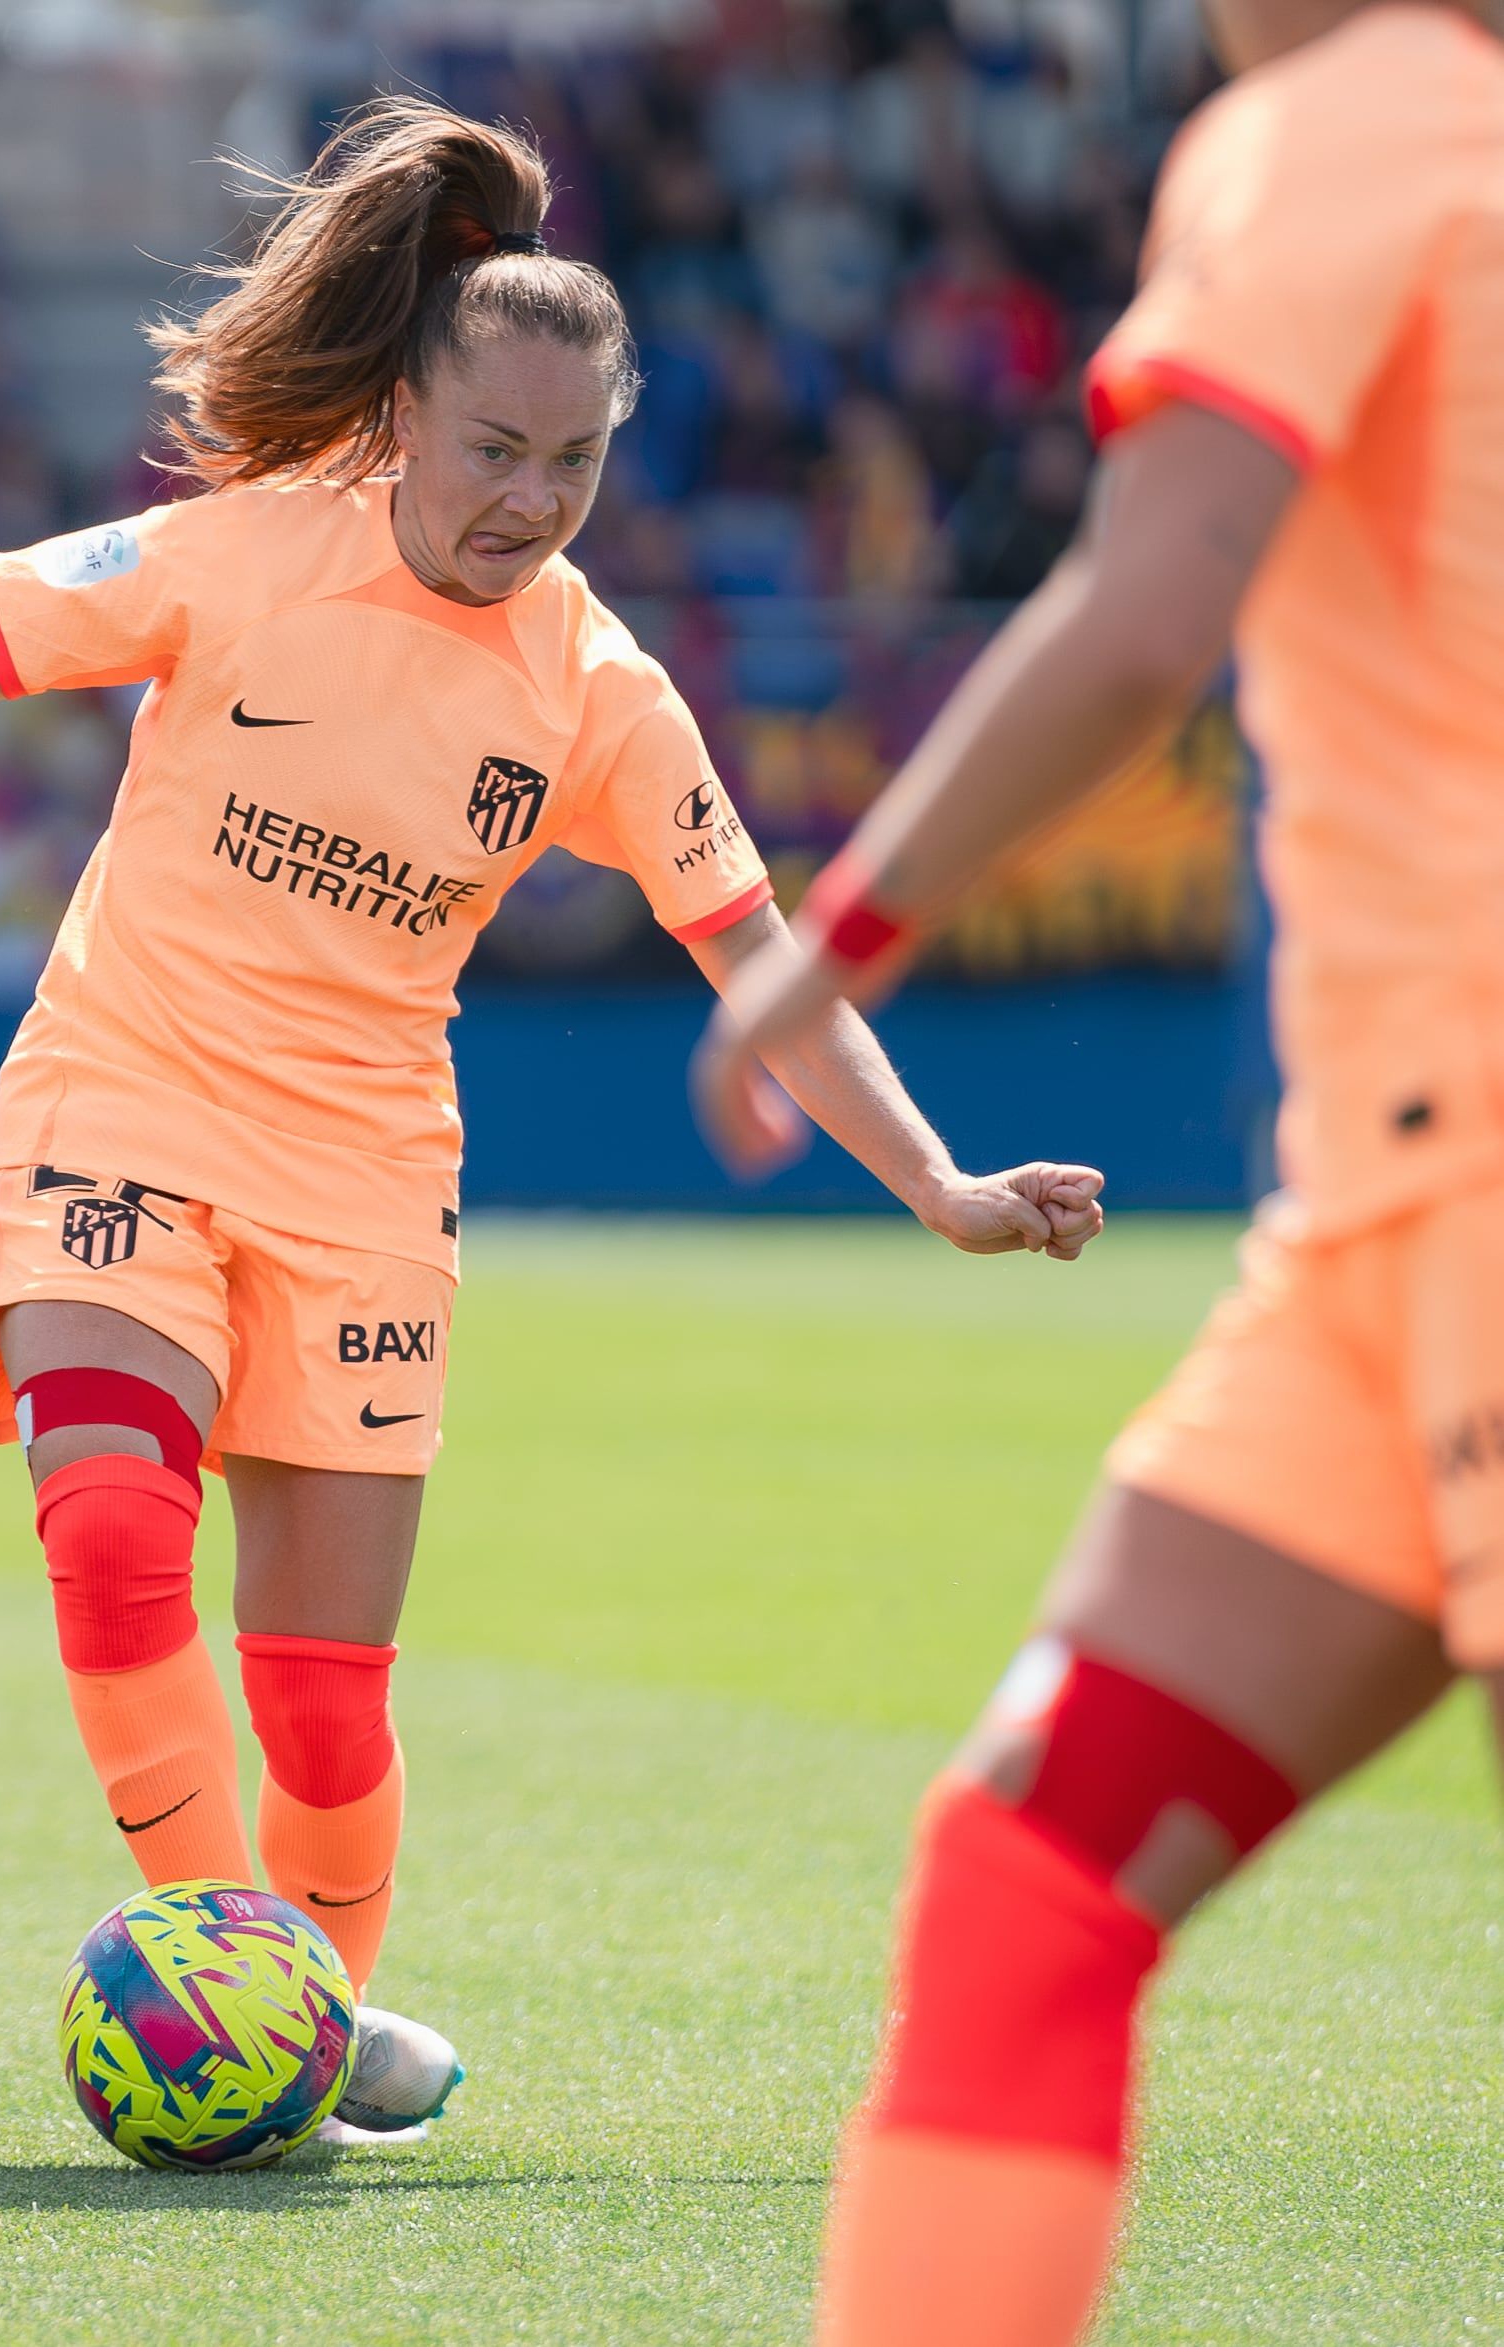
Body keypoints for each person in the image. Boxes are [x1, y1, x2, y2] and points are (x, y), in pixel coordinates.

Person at [0, 98, 1103, 2147]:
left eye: (573, 460)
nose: (526, 499)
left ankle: (303, 2023)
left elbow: (756, 956)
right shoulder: (244, 543)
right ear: (404, 416)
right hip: (120, 1092)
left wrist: (940, 1184)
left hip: (360, 1182)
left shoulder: (599, 692)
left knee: (326, 1698)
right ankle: (257, 2002)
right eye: (491, 448)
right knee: (103, 1532)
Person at [689, 3, 1504, 2336]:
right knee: (1020, 1876)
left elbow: (1144, 610)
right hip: (1370, 1232)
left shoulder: (1336, 126)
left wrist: (828, 944)